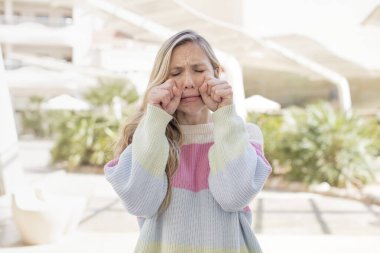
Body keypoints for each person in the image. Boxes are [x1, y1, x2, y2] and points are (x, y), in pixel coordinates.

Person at [104, 30, 272, 253]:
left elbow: (234, 197)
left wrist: (225, 115)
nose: (188, 82)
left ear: (217, 72)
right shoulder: (148, 138)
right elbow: (140, 204)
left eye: (199, 70)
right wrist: (155, 120)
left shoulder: (245, 135)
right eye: (175, 73)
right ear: (161, 80)